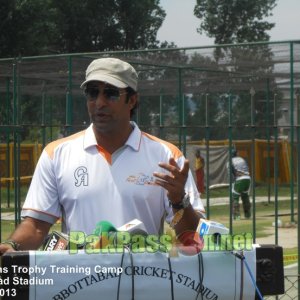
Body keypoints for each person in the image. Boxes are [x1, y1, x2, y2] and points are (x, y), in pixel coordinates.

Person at [0, 57, 205, 254]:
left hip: (143, 284)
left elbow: (193, 237)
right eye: (92, 93)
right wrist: (12, 246)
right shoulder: (56, 154)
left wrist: (179, 200)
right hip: (77, 284)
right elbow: (36, 226)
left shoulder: (167, 156)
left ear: (132, 100)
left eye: (111, 93)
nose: (99, 102)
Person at [227, 149, 251, 220]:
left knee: (235, 198)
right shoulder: (242, 159)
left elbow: (230, 174)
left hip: (240, 179)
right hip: (248, 179)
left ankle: (237, 216)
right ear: (236, 154)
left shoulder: (230, 162)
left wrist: (232, 183)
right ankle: (248, 215)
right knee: (245, 197)